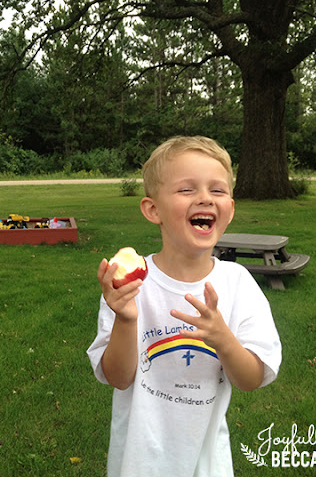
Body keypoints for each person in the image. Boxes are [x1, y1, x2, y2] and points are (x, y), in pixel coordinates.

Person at [87, 136, 282, 476]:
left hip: (207, 464)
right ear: (153, 210)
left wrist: (223, 339)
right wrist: (126, 320)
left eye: (217, 190)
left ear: (231, 208)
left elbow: (251, 380)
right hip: (139, 462)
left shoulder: (238, 284)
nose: (205, 197)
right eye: (186, 189)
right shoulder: (129, 287)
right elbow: (118, 378)